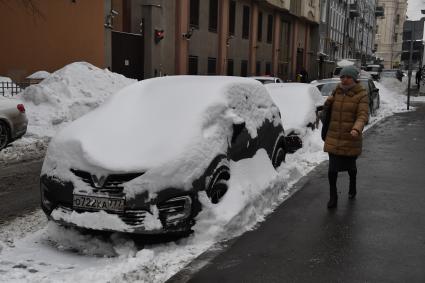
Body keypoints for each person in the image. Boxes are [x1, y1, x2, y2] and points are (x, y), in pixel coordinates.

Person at [323, 65, 369, 209]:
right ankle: (333, 196)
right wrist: (324, 108)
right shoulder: (336, 91)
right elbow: (329, 111)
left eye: (348, 77)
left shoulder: (362, 95)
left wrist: (357, 128)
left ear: (354, 79)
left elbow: (362, 115)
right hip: (334, 136)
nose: (344, 79)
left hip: (350, 137)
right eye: (342, 76)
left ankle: (352, 185)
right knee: (332, 170)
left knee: (351, 167)